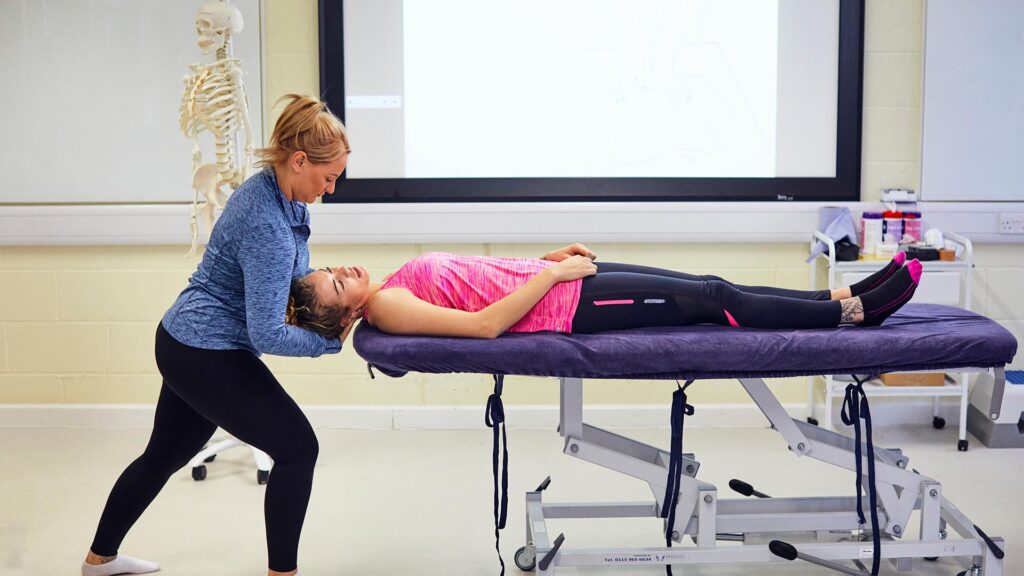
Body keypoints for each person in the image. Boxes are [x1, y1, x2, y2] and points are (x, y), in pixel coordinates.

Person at [83, 94, 350, 576]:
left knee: (164, 455)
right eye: (327, 178)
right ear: (298, 160)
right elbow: (267, 332)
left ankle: (99, 560)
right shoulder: (268, 222)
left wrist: (347, 305)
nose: (328, 190)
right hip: (205, 351)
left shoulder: (283, 199)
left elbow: (294, 289)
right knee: (298, 449)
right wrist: (328, 344)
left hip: (185, 340)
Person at [286, 244, 921, 341]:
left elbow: (481, 278)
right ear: (344, 315)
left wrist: (547, 257)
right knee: (711, 296)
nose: (345, 276)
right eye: (336, 287)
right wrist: (552, 279)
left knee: (714, 285)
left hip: (558, 284)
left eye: (333, 270)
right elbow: (485, 326)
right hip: (567, 307)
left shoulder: (389, 286)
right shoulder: (388, 308)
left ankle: (841, 294)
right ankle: (855, 315)